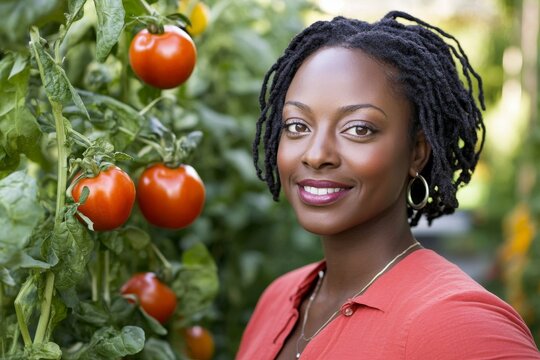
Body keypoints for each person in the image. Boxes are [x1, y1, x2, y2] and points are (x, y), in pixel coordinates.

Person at [236, 10, 540, 360]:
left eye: (359, 129)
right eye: (297, 126)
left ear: (416, 153)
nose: (316, 154)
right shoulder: (279, 299)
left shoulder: (461, 326)